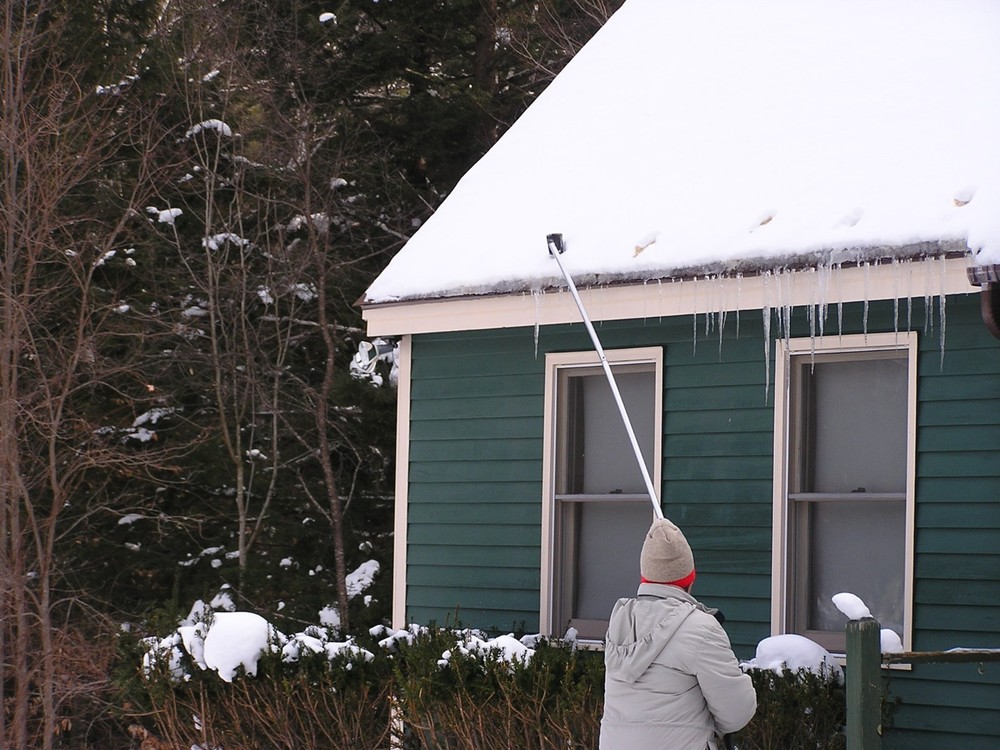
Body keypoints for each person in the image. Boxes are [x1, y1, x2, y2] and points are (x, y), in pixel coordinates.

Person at [599, 518, 757, 749]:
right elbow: (737, 711)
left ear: (645, 576)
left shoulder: (619, 622)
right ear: (690, 577)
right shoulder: (701, 629)